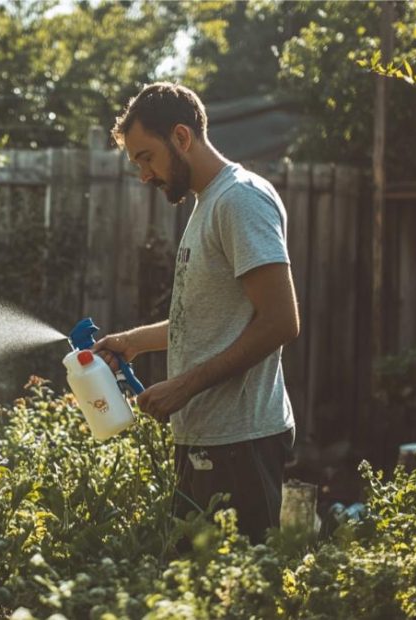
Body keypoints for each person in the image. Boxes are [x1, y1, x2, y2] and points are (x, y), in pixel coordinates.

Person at [93, 82, 299, 544]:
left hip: (239, 443)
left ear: (181, 138)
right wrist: (131, 342)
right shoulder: (209, 204)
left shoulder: (240, 200)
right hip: (206, 438)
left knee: (236, 598)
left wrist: (184, 387)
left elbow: (281, 321)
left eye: (147, 157)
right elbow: (208, 320)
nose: (144, 175)